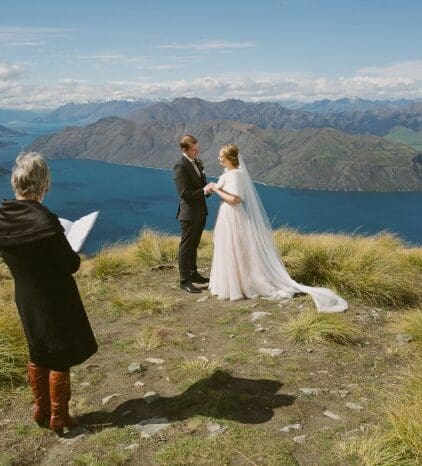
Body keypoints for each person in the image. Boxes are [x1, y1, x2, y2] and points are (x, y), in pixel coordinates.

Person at [0, 152, 98, 435]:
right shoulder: (46, 220)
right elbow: (70, 264)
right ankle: (59, 416)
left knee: (36, 347)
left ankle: (39, 409)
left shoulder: (3, 217)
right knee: (59, 354)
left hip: (25, 295)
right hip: (54, 296)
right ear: (42, 185)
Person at [208, 144, 348, 313]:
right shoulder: (228, 173)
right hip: (227, 216)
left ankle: (239, 285)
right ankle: (230, 284)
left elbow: (235, 200)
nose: (218, 158)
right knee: (228, 248)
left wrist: (215, 189)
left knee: (236, 248)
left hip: (233, 216)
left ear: (229, 158)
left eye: (221, 156)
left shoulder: (236, 175)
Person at [173, 135, 212, 293]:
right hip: (188, 214)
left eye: (198, 148)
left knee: (194, 245)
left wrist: (207, 190)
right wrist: (203, 191)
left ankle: (194, 273)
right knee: (186, 246)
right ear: (185, 149)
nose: (197, 151)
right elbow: (184, 193)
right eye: (194, 149)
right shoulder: (180, 166)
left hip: (200, 212)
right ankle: (184, 280)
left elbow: (201, 185)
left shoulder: (198, 162)